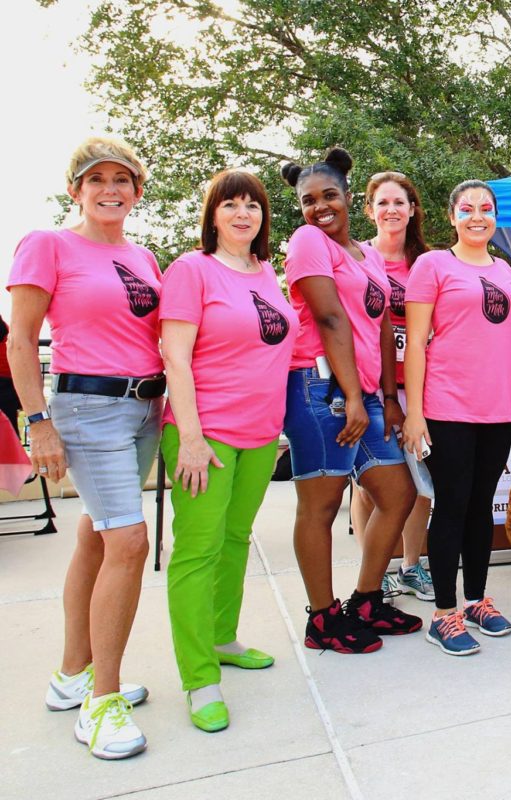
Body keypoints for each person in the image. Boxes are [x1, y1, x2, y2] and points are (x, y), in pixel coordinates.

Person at [9, 136, 162, 759]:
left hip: (145, 407)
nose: (109, 189)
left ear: (136, 191)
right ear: (75, 189)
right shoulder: (48, 245)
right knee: (128, 540)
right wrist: (37, 421)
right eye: (95, 179)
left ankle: (73, 675)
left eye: (121, 179)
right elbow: (21, 339)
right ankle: (101, 703)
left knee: (96, 535)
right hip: (87, 407)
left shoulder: (144, 256)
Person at [160, 169, 299, 732]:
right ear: (212, 214)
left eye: (253, 205)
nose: (244, 214)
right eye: (231, 205)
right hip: (205, 434)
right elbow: (175, 357)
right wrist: (189, 437)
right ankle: (199, 679)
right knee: (197, 550)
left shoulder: (267, 273)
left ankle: (222, 637)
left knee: (237, 540)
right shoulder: (191, 271)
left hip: (263, 434)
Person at [281, 147, 420, 655]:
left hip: (364, 395)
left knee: (399, 493)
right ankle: (322, 618)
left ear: (347, 194)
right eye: (308, 200)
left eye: (330, 195)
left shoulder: (365, 253)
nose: (320, 207)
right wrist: (355, 397)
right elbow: (330, 319)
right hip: (320, 389)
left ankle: (365, 600)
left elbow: (381, 322)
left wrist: (387, 396)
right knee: (320, 505)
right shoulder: (307, 242)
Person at [403, 179, 511, 656]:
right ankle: (443, 614)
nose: (477, 216)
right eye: (467, 209)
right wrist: (415, 414)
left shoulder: (507, 270)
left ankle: (476, 600)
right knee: (451, 506)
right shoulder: (432, 265)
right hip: (447, 408)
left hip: (497, 409)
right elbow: (415, 344)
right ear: (452, 217)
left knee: (479, 507)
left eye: (485, 209)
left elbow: (510, 339)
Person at [351, 171, 435, 603]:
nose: (391, 210)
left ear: (412, 209)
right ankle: (375, 569)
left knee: (419, 482)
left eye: (399, 202)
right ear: (369, 211)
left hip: (417, 387)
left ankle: (411, 566)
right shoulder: (355, 258)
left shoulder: (428, 261)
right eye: (382, 203)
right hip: (369, 387)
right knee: (372, 482)